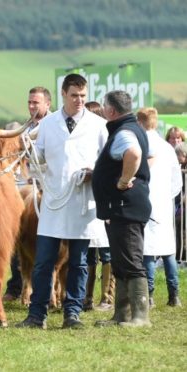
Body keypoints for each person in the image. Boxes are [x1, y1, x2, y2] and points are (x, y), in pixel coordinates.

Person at [16, 73, 108, 329]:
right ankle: (37, 314)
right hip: (54, 201)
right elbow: (39, 159)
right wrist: (31, 153)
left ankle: (72, 314)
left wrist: (94, 173)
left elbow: (107, 162)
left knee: (79, 262)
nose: (79, 100)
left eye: (83, 96)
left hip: (81, 201)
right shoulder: (47, 125)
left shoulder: (98, 125)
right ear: (64, 95)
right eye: (74, 95)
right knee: (43, 260)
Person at [92, 90, 152, 327]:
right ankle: (121, 315)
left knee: (131, 261)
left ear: (111, 111)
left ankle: (140, 317)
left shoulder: (124, 131)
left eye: (105, 107)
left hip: (125, 206)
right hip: (122, 207)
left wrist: (123, 180)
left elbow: (134, 154)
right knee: (121, 260)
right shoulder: (131, 127)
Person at [4, 86, 52, 302]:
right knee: (17, 237)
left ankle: (50, 289)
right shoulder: (23, 128)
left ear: (47, 104)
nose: (32, 106)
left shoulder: (55, 126)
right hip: (23, 189)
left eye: (36, 103)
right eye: (30, 102)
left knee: (49, 242)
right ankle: (17, 286)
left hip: (48, 191)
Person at [137, 107, 182, 307]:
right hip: (164, 204)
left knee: (147, 250)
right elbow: (177, 182)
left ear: (140, 122)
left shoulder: (141, 145)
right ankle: (174, 295)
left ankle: (150, 294)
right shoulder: (167, 148)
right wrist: (167, 197)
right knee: (168, 250)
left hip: (145, 202)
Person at [82, 101, 114, 312]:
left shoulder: (108, 140)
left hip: (105, 201)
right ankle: (87, 298)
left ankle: (107, 297)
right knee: (90, 252)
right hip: (87, 202)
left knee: (106, 252)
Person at [174, 143, 187, 265]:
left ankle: (182, 256)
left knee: (183, 231)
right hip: (181, 206)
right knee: (179, 230)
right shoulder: (181, 167)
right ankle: (179, 256)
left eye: (177, 155)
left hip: (183, 206)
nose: (176, 158)